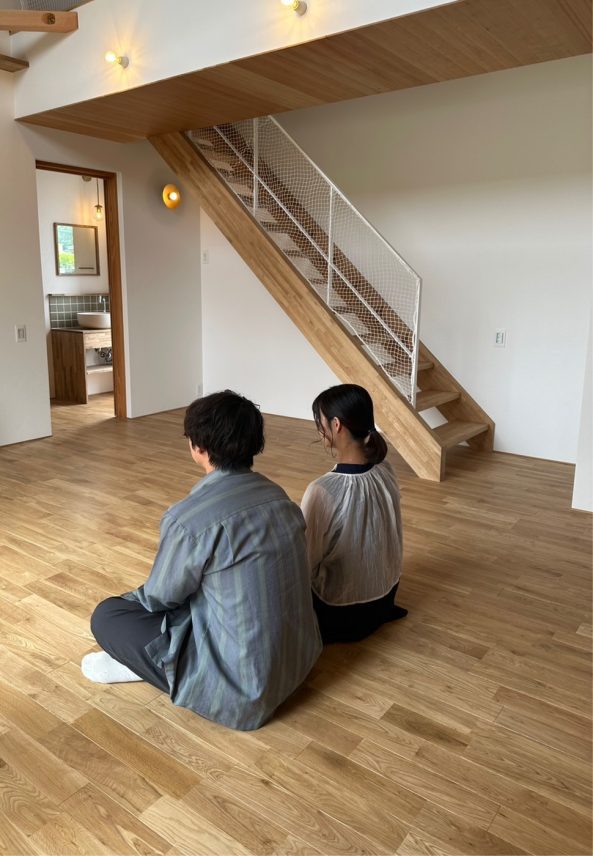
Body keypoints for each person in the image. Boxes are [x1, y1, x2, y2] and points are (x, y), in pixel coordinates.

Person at [82, 390, 322, 731]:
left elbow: (160, 598)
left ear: (198, 447)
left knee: (107, 615)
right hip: (299, 659)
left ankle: (146, 667)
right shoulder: (279, 498)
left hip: (243, 690)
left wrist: (130, 600)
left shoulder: (188, 519)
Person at [301, 383, 407, 644]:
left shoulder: (322, 490)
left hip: (342, 614)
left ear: (336, 425)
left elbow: (305, 560)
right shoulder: (385, 469)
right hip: (385, 598)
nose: (319, 427)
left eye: (321, 421)